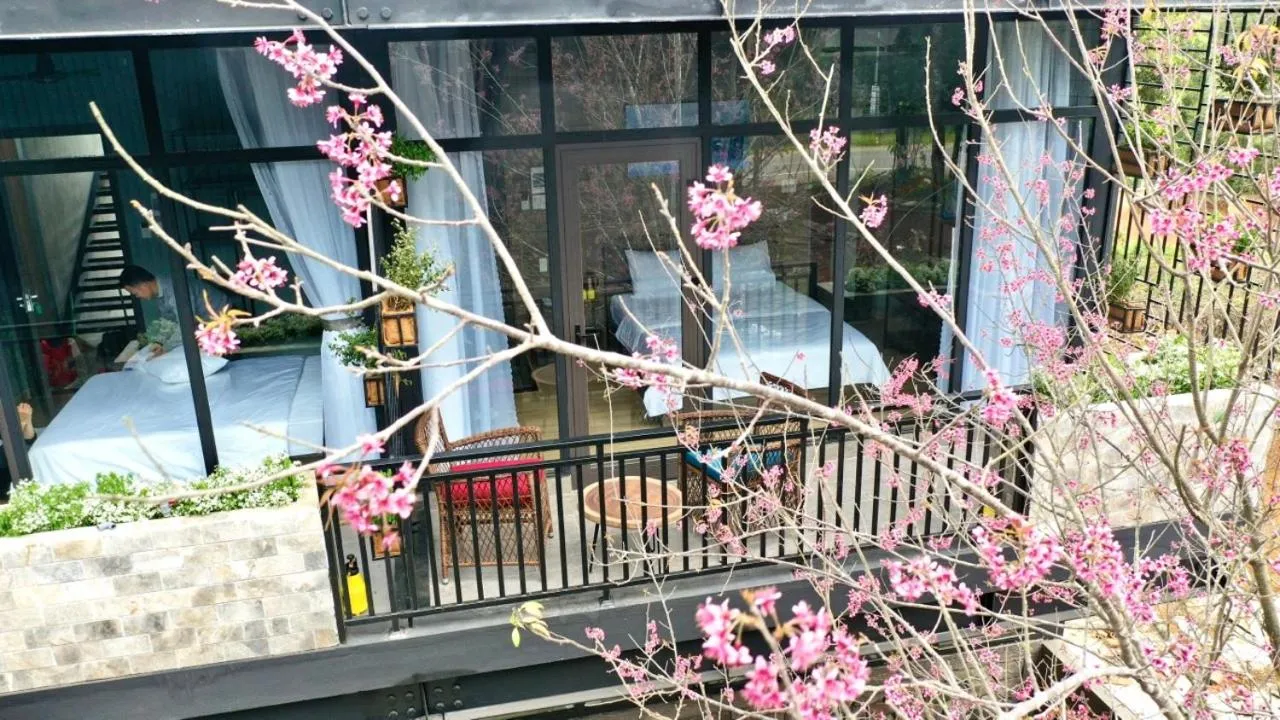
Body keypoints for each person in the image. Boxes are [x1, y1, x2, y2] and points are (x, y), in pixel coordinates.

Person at [119, 265, 180, 356]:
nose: (137, 297)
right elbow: (169, 322)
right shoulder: (160, 294)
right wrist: (158, 342)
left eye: (135, 293)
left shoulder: (174, 290)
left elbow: (185, 326)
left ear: (143, 285)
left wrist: (166, 348)